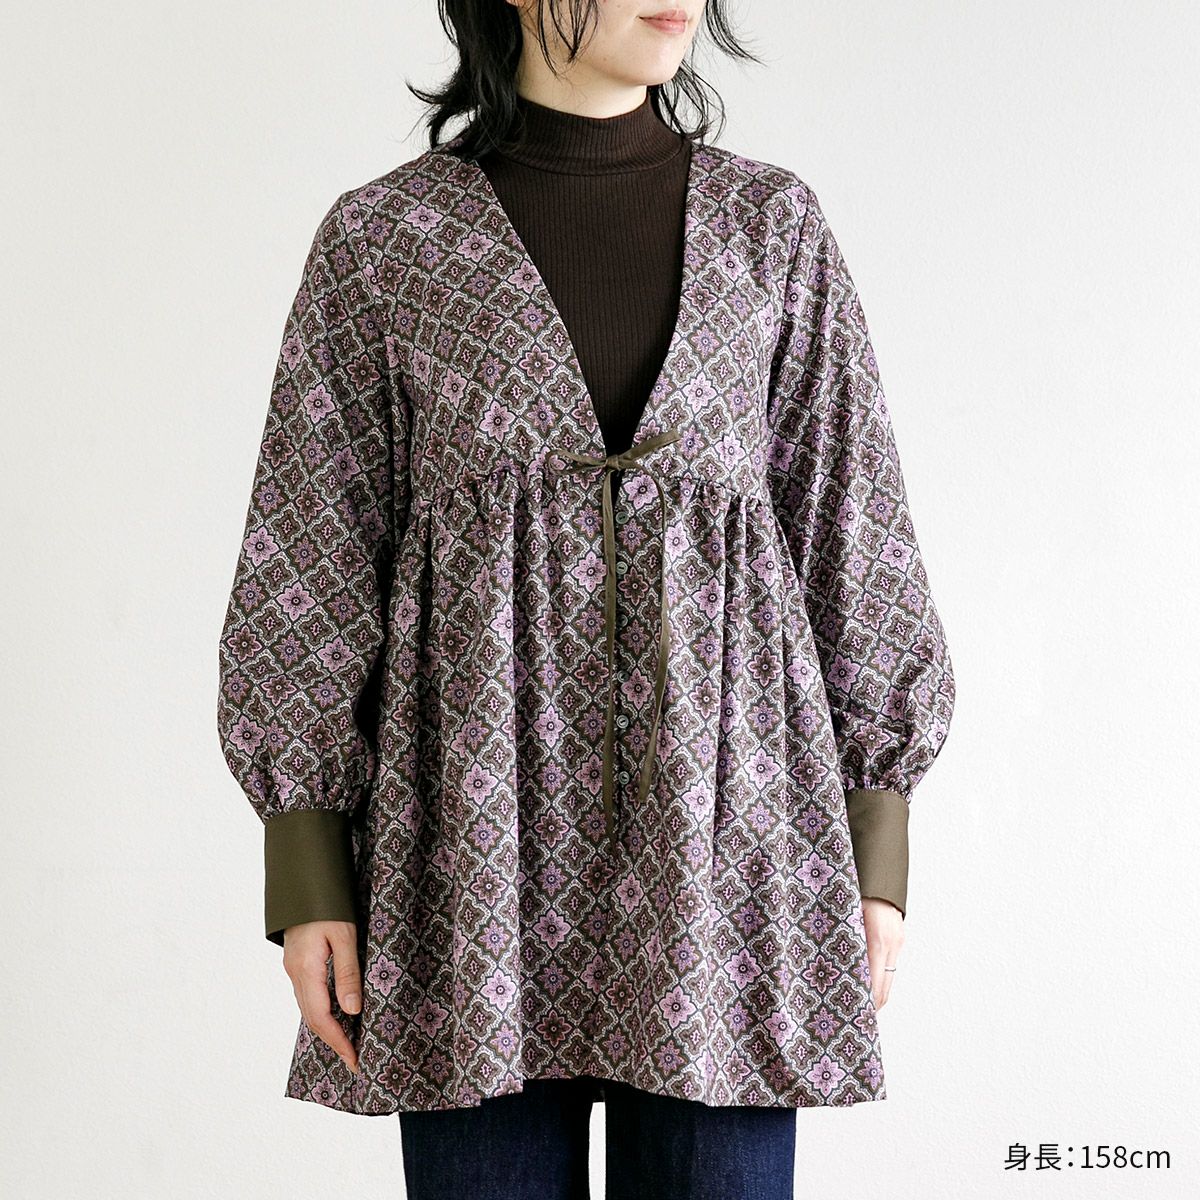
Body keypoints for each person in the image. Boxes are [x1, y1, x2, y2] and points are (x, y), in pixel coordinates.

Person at [216, 2, 956, 1196]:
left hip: (729, 861)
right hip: (467, 869)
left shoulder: (771, 229)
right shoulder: (386, 242)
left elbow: (852, 530)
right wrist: (306, 867)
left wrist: (875, 841)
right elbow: (309, 557)